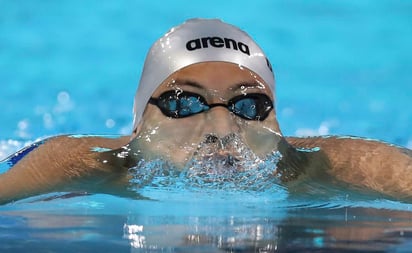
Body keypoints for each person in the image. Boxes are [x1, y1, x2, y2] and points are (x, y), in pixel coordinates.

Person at [0, 18, 411, 205]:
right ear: (140, 123)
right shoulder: (82, 165)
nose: (221, 127)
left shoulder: (328, 166)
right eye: (184, 103)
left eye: (249, 105)